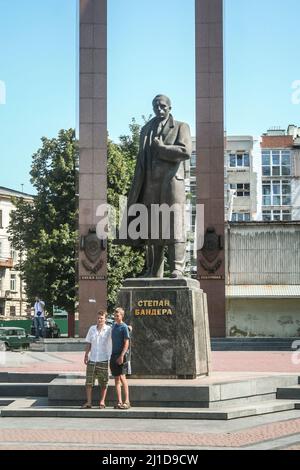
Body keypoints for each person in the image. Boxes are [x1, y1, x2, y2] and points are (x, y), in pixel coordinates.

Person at [125, 94, 192, 278]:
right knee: (152, 228)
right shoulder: (146, 129)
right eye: (156, 106)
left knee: (174, 224)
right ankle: (153, 271)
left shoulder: (181, 126)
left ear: (170, 107)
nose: (159, 109)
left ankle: (177, 268)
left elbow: (186, 151)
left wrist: (162, 149)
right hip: (150, 183)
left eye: (163, 106)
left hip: (171, 183)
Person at [82, 310, 112, 409]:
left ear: (105, 319)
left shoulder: (109, 329)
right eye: (98, 318)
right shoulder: (92, 329)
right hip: (92, 359)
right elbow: (89, 343)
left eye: (101, 318)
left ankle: (102, 402)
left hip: (103, 359)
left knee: (104, 382)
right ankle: (89, 402)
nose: (99, 320)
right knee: (89, 382)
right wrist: (86, 354)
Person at [110, 307, 131, 410]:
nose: (116, 317)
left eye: (117, 315)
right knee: (116, 379)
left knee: (122, 378)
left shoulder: (124, 327)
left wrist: (122, 355)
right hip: (113, 355)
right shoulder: (113, 325)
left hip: (121, 355)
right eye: (115, 315)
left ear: (122, 316)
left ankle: (127, 401)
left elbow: (127, 342)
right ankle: (119, 401)